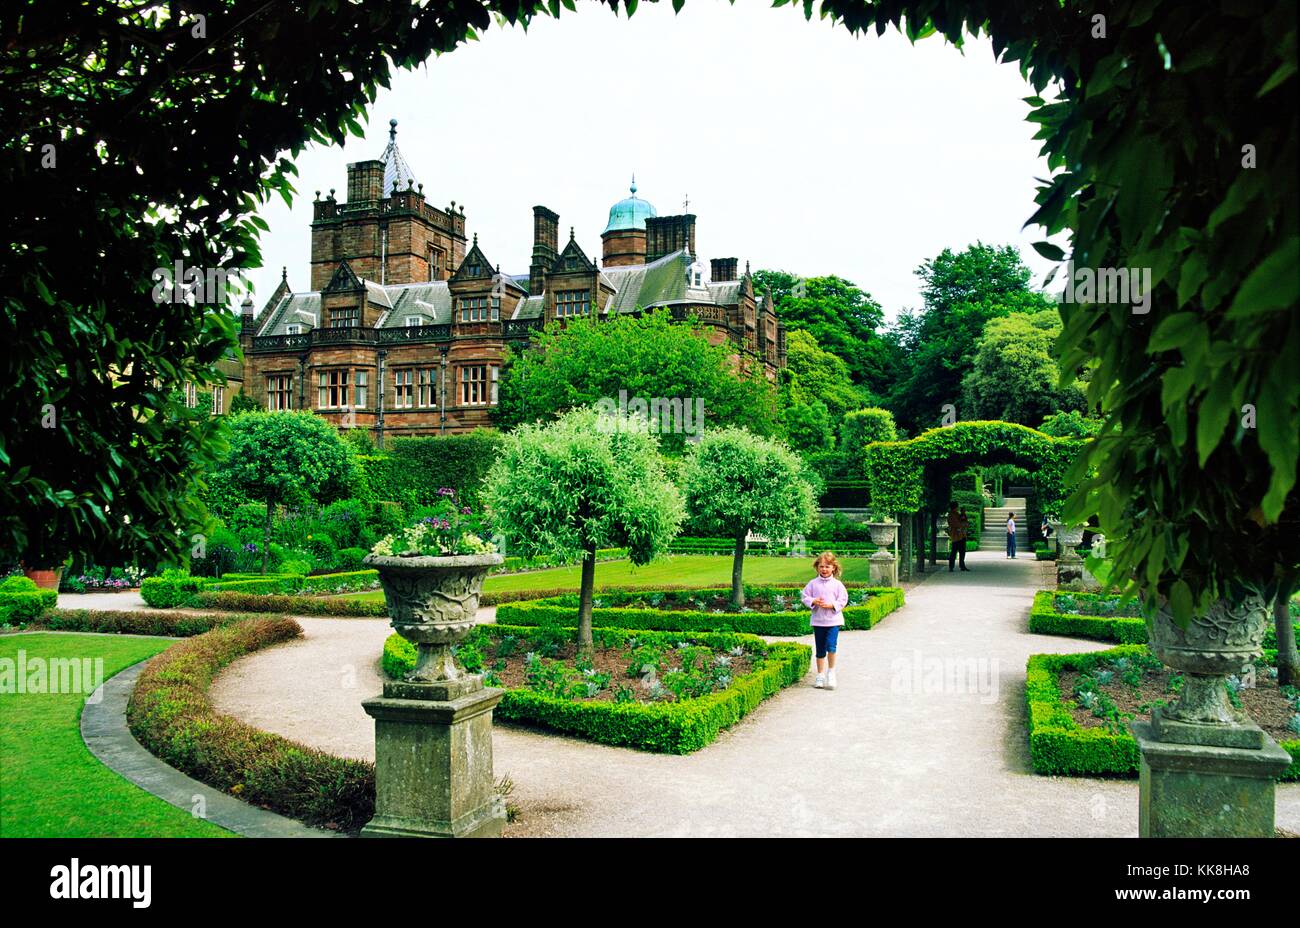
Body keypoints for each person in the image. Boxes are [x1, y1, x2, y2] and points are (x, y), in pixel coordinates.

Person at [801, 552, 849, 690]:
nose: (824, 569)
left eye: (827, 566)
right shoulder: (812, 583)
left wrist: (833, 605)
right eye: (821, 566)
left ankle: (831, 672)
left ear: (833, 567)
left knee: (831, 647)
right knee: (820, 649)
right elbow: (804, 597)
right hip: (818, 621)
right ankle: (820, 675)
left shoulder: (837, 584)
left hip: (833, 621)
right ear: (817, 567)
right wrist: (813, 601)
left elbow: (843, 599)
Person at [946, 503, 970, 572]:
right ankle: (951, 567)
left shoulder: (957, 514)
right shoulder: (951, 515)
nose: (958, 508)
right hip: (956, 536)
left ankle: (962, 566)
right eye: (957, 507)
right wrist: (964, 524)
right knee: (954, 552)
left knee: (962, 552)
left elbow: (964, 522)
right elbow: (956, 524)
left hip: (961, 535)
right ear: (955, 507)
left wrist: (964, 518)